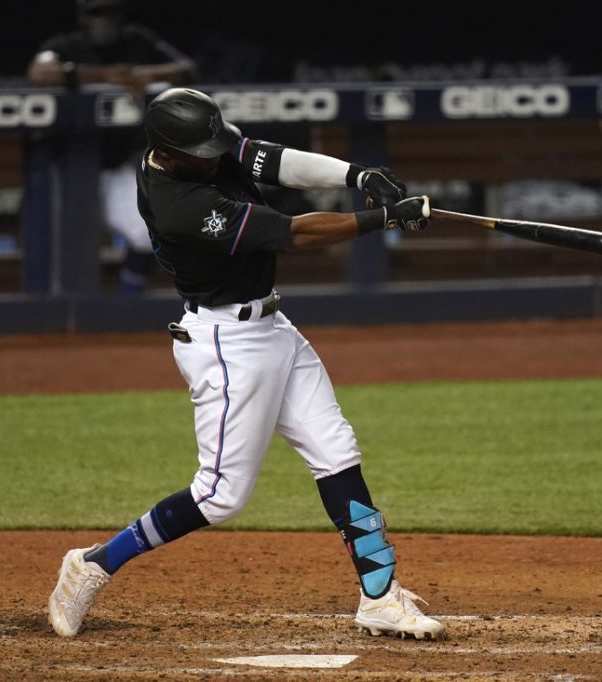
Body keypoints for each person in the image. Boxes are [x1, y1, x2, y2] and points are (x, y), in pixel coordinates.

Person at [47, 88, 443, 641]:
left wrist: (359, 174)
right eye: (204, 150)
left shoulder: (198, 147)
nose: (217, 154)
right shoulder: (178, 204)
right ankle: (94, 563)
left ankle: (378, 596)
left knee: (336, 451)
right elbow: (295, 231)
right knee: (219, 496)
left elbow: (274, 161)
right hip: (227, 345)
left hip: (274, 328)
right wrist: (384, 219)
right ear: (171, 151)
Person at [27, 0, 198, 293]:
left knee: (147, 233)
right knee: (58, 247)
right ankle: (49, 317)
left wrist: (147, 74)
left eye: (109, 14)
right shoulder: (65, 45)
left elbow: (187, 68)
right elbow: (39, 74)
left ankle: (126, 303)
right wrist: (103, 76)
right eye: (96, 14)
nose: (103, 21)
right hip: (70, 170)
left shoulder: (136, 39)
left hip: (116, 165)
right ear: (82, 17)